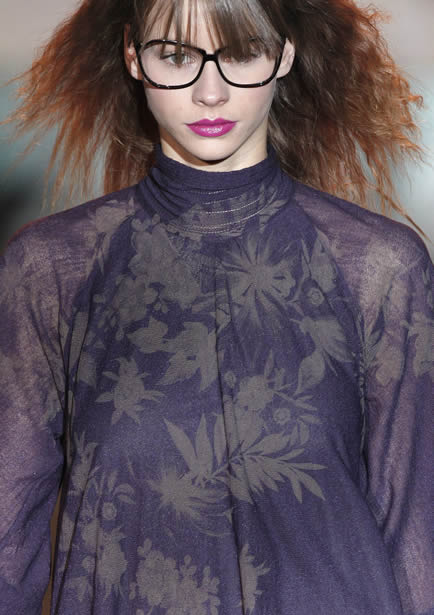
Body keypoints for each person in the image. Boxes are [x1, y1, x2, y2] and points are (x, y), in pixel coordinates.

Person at [0, 0, 432, 613]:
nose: (210, 92)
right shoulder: (52, 271)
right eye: (176, 56)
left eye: (241, 53)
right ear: (133, 57)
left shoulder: (379, 268)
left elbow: (416, 534)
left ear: (284, 54)